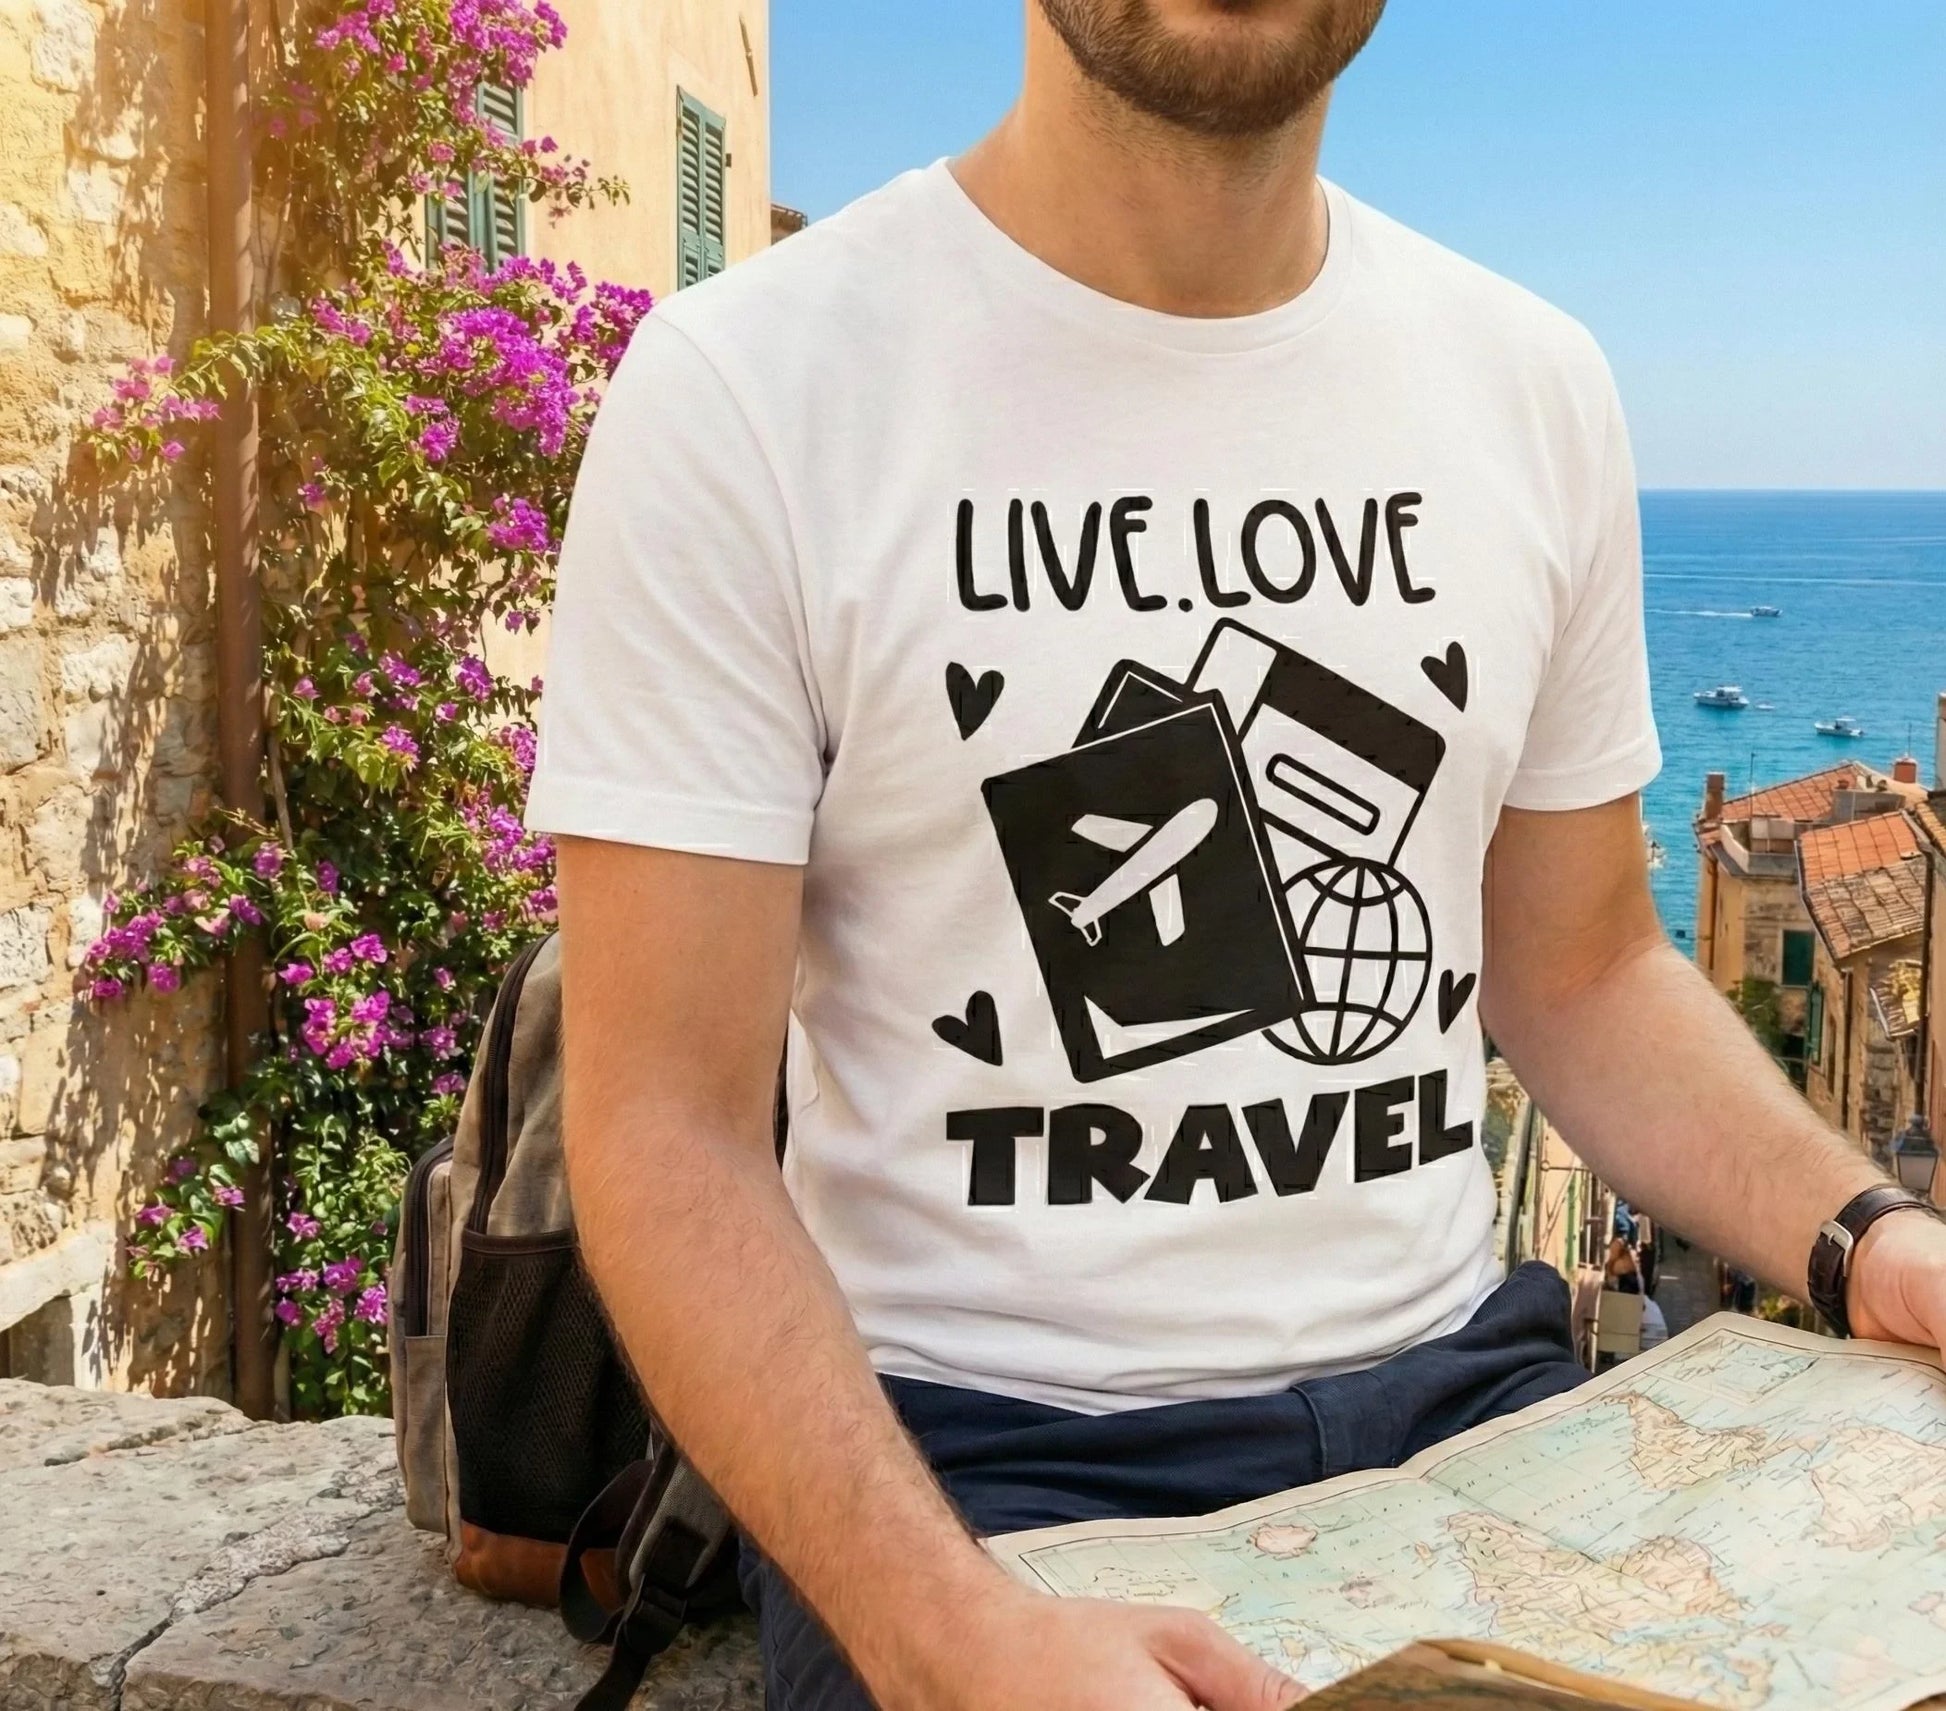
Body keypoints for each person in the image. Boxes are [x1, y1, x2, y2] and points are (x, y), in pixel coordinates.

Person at [526, 4, 1946, 1709]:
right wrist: (941, 1635)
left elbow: (1578, 969)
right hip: (975, 1468)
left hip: (1471, 1416)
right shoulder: (749, 393)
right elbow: (661, 1123)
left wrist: (1865, 1238)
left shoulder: (1531, 388)